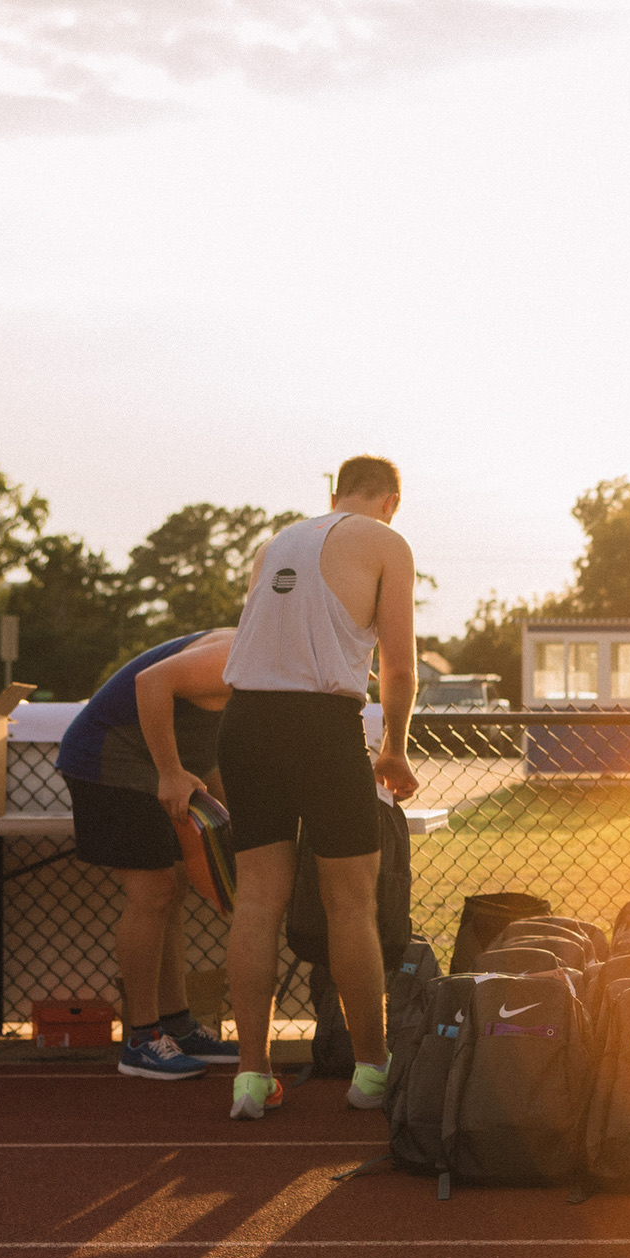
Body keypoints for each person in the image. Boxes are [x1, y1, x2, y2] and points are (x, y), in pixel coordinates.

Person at [218, 455, 419, 1121]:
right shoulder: (387, 541)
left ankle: (251, 1077)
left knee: (257, 903)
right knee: (351, 907)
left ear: (334, 494)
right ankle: (371, 1071)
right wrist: (393, 747)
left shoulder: (276, 541)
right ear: (391, 500)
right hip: (322, 724)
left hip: (245, 720)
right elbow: (397, 663)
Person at [55, 629, 240, 1079]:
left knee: (172, 890)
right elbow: (150, 682)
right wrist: (172, 772)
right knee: (153, 890)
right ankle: (140, 1039)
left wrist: (233, 815)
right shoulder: (241, 651)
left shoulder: (276, 662)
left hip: (148, 763)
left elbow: (204, 743)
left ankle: (177, 1025)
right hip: (106, 760)